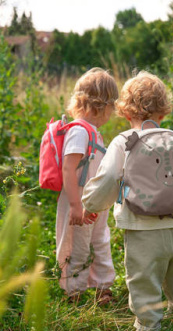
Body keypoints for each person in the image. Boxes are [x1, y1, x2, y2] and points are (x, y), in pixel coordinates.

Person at [82, 71, 173, 331]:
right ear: (164, 107)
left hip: (141, 226)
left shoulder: (124, 140)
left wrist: (91, 204)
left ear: (125, 108)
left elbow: (108, 179)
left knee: (143, 278)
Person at [56, 67, 118, 304]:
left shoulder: (94, 133)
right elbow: (68, 168)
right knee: (78, 246)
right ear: (99, 106)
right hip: (79, 203)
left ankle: (102, 287)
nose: (111, 114)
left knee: (101, 240)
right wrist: (74, 206)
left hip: (95, 204)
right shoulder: (79, 132)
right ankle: (74, 291)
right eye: (111, 108)